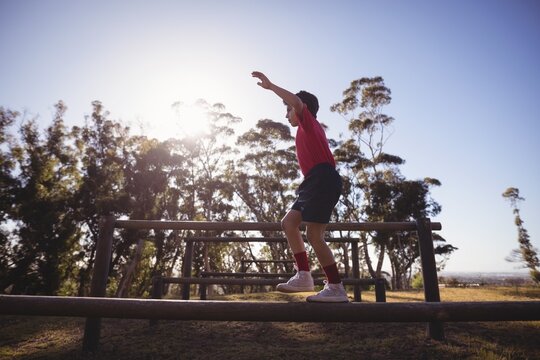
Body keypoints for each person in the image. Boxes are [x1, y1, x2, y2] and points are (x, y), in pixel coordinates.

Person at [251, 71, 348, 303]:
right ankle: (304, 275)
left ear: (300, 108)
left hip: (322, 179)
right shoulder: (304, 130)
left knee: (314, 235)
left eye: (288, 109)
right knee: (289, 223)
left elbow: (296, 101)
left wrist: (271, 86)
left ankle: (335, 287)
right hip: (313, 182)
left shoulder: (308, 122)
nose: (286, 114)